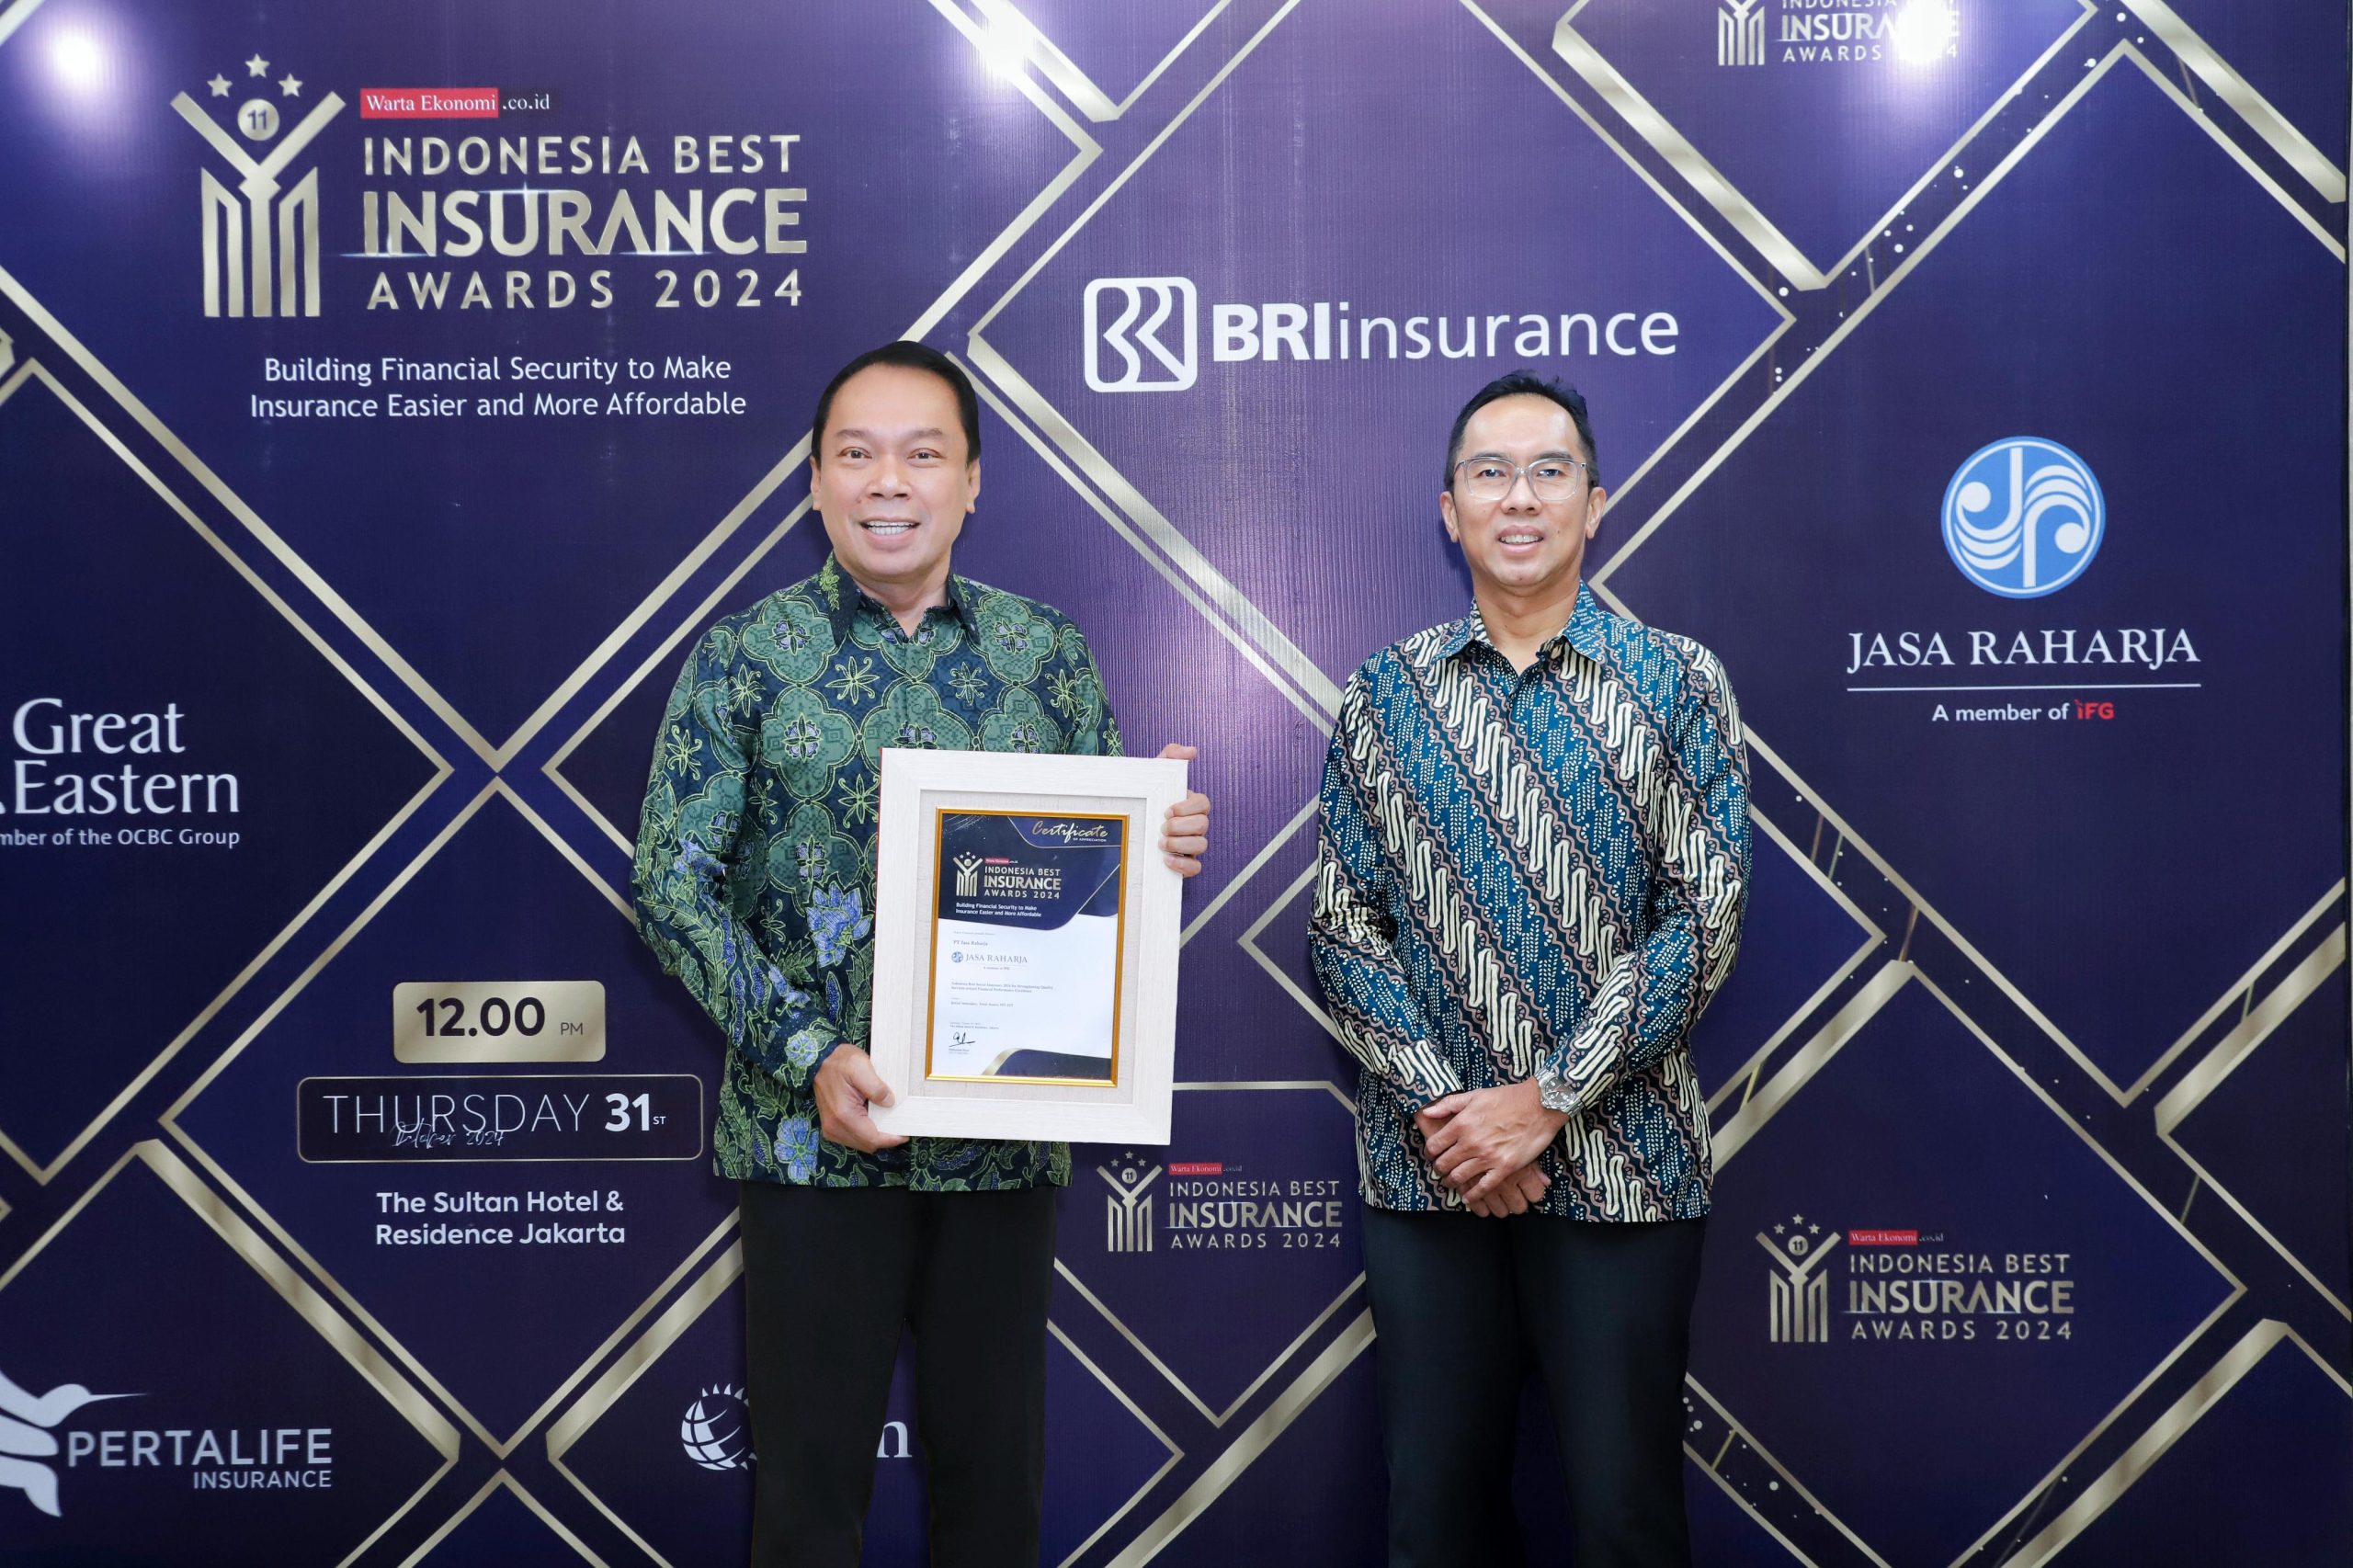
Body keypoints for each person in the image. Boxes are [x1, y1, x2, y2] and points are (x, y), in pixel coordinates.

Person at [631, 340, 1211, 1568]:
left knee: (995, 1494)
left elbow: (1094, 882)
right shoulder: (743, 656)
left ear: (972, 480)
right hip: (808, 1140)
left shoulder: (1045, 655)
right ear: (814, 481)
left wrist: (1156, 843)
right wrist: (807, 1051)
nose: (887, 481)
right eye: (857, 454)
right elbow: (671, 886)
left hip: (1003, 1140)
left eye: (922, 453)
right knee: (804, 1504)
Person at [1308, 371, 1748, 1568]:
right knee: (1434, 1521)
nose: (1519, 497)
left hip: (1627, 1169)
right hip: (1430, 1175)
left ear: (1594, 504)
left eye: (1549, 472)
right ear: (1449, 509)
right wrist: (1461, 1123)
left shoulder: (1678, 680)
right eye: (1489, 473)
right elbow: (1343, 929)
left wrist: (1546, 1099)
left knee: (1624, 1517)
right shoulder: (1384, 694)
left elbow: (1704, 918)